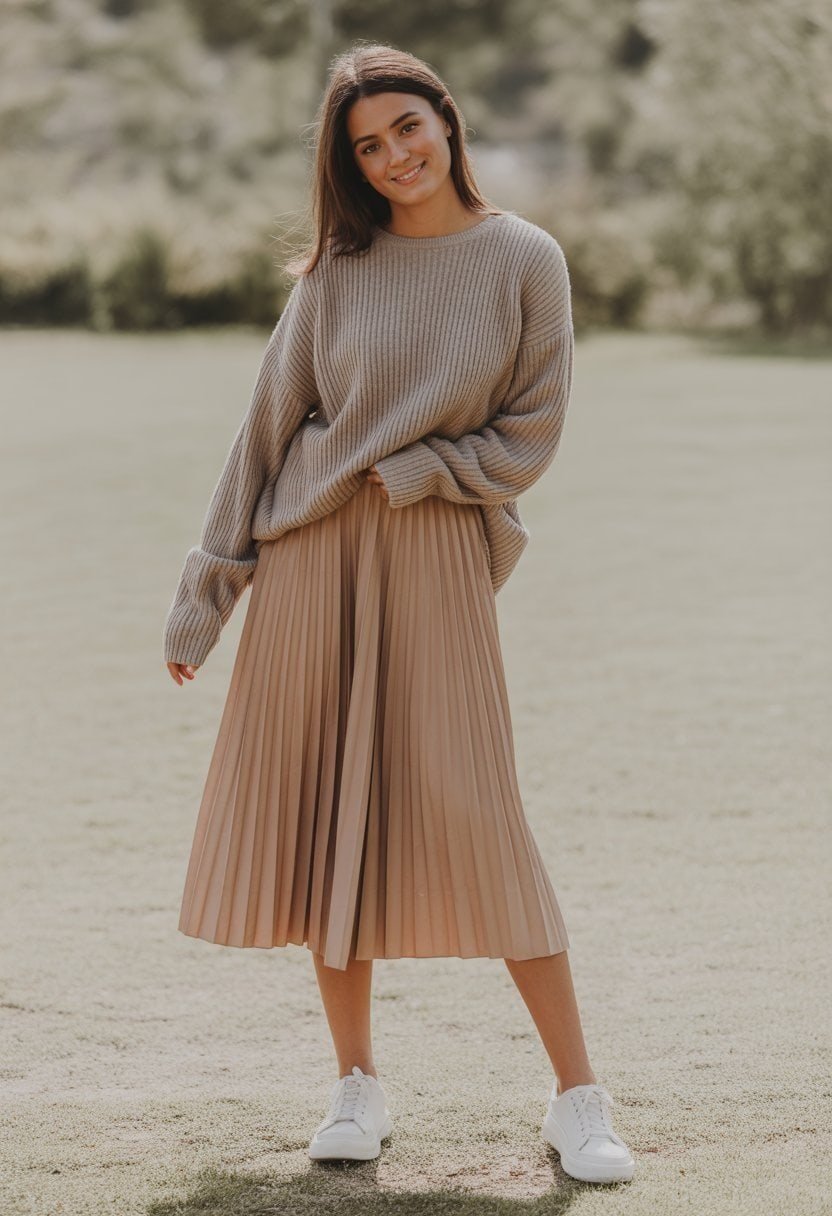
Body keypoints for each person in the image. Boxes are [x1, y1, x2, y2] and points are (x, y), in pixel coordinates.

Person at [162, 43, 635, 1186]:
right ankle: (356, 1085)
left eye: (405, 130)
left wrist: (439, 465)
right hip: (313, 559)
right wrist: (208, 588)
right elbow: (265, 427)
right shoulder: (335, 272)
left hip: (431, 554)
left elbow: (533, 429)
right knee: (330, 812)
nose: (393, 158)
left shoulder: (525, 257)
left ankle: (578, 1096)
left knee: (479, 809)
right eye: (367, 147)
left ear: (446, 118)